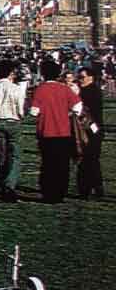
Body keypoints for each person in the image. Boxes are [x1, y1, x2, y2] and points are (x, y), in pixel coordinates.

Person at [29, 60, 83, 204]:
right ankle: (60, 192)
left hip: (46, 132)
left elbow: (34, 112)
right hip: (64, 132)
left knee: (47, 164)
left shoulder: (40, 89)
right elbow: (78, 106)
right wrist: (68, 112)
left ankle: (48, 192)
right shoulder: (65, 89)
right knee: (62, 164)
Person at [0, 59, 26, 202]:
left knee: (1, 155)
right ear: (11, 73)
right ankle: (10, 184)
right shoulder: (16, 88)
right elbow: (21, 108)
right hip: (13, 121)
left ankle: (3, 184)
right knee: (14, 155)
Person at [76, 67, 104, 199]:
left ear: (90, 77)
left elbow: (86, 112)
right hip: (94, 129)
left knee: (88, 159)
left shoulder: (90, 92)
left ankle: (86, 188)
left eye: (82, 77)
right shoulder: (90, 90)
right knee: (92, 160)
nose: (79, 80)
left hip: (90, 129)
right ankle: (95, 187)